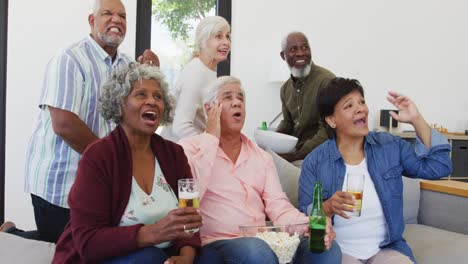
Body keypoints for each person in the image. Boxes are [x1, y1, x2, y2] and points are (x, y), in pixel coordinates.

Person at [0, 0, 160, 242]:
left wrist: (152, 73)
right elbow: (64, 123)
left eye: (122, 16)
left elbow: (140, 114)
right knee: (66, 247)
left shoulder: (128, 66)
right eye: (107, 13)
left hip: (102, 183)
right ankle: (12, 235)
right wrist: (110, 161)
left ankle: (10, 233)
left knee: (87, 245)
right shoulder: (69, 59)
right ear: (91, 21)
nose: (117, 20)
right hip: (60, 183)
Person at [53, 63, 219, 264]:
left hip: (166, 255)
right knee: (149, 258)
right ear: (120, 104)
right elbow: (87, 242)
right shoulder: (98, 156)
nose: (152, 101)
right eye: (141, 94)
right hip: (105, 258)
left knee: (213, 257)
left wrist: (186, 256)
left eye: (158, 97)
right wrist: (152, 233)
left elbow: (189, 219)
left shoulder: (174, 154)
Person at [179, 76, 341, 263]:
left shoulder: (261, 157)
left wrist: (308, 225)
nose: (237, 103)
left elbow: (278, 206)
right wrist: (211, 138)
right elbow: (191, 197)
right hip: (215, 245)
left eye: (240, 98)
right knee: (255, 250)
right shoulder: (188, 149)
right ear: (210, 109)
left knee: (325, 248)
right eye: (228, 97)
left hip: (261, 243)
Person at [298, 77, 452, 263]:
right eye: (349, 106)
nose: (361, 108)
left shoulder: (389, 146)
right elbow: (303, 218)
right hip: (339, 251)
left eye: (362, 102)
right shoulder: (314, 162)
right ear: (331, 120)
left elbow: (439, 167)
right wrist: (327, 207)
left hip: (386, 248)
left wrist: (416, 120)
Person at [161, 16, 230, 142]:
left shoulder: (208, 71)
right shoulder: (196, 71)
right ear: (203, 41)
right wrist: (207, 145)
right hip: (176, 152)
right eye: (219, 36)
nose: (226, 42)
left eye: (227, 36)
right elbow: (181, 126)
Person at [276, 31, 335, 166]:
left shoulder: (326, 81)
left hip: (321, 157)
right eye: (293, 49)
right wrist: (271, 140)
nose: (300, 53)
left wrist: (295, 155)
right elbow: (288, 123)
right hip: (297, 155)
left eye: (304, 47)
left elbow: (327, 130)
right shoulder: (285, 89)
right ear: (283, 56)